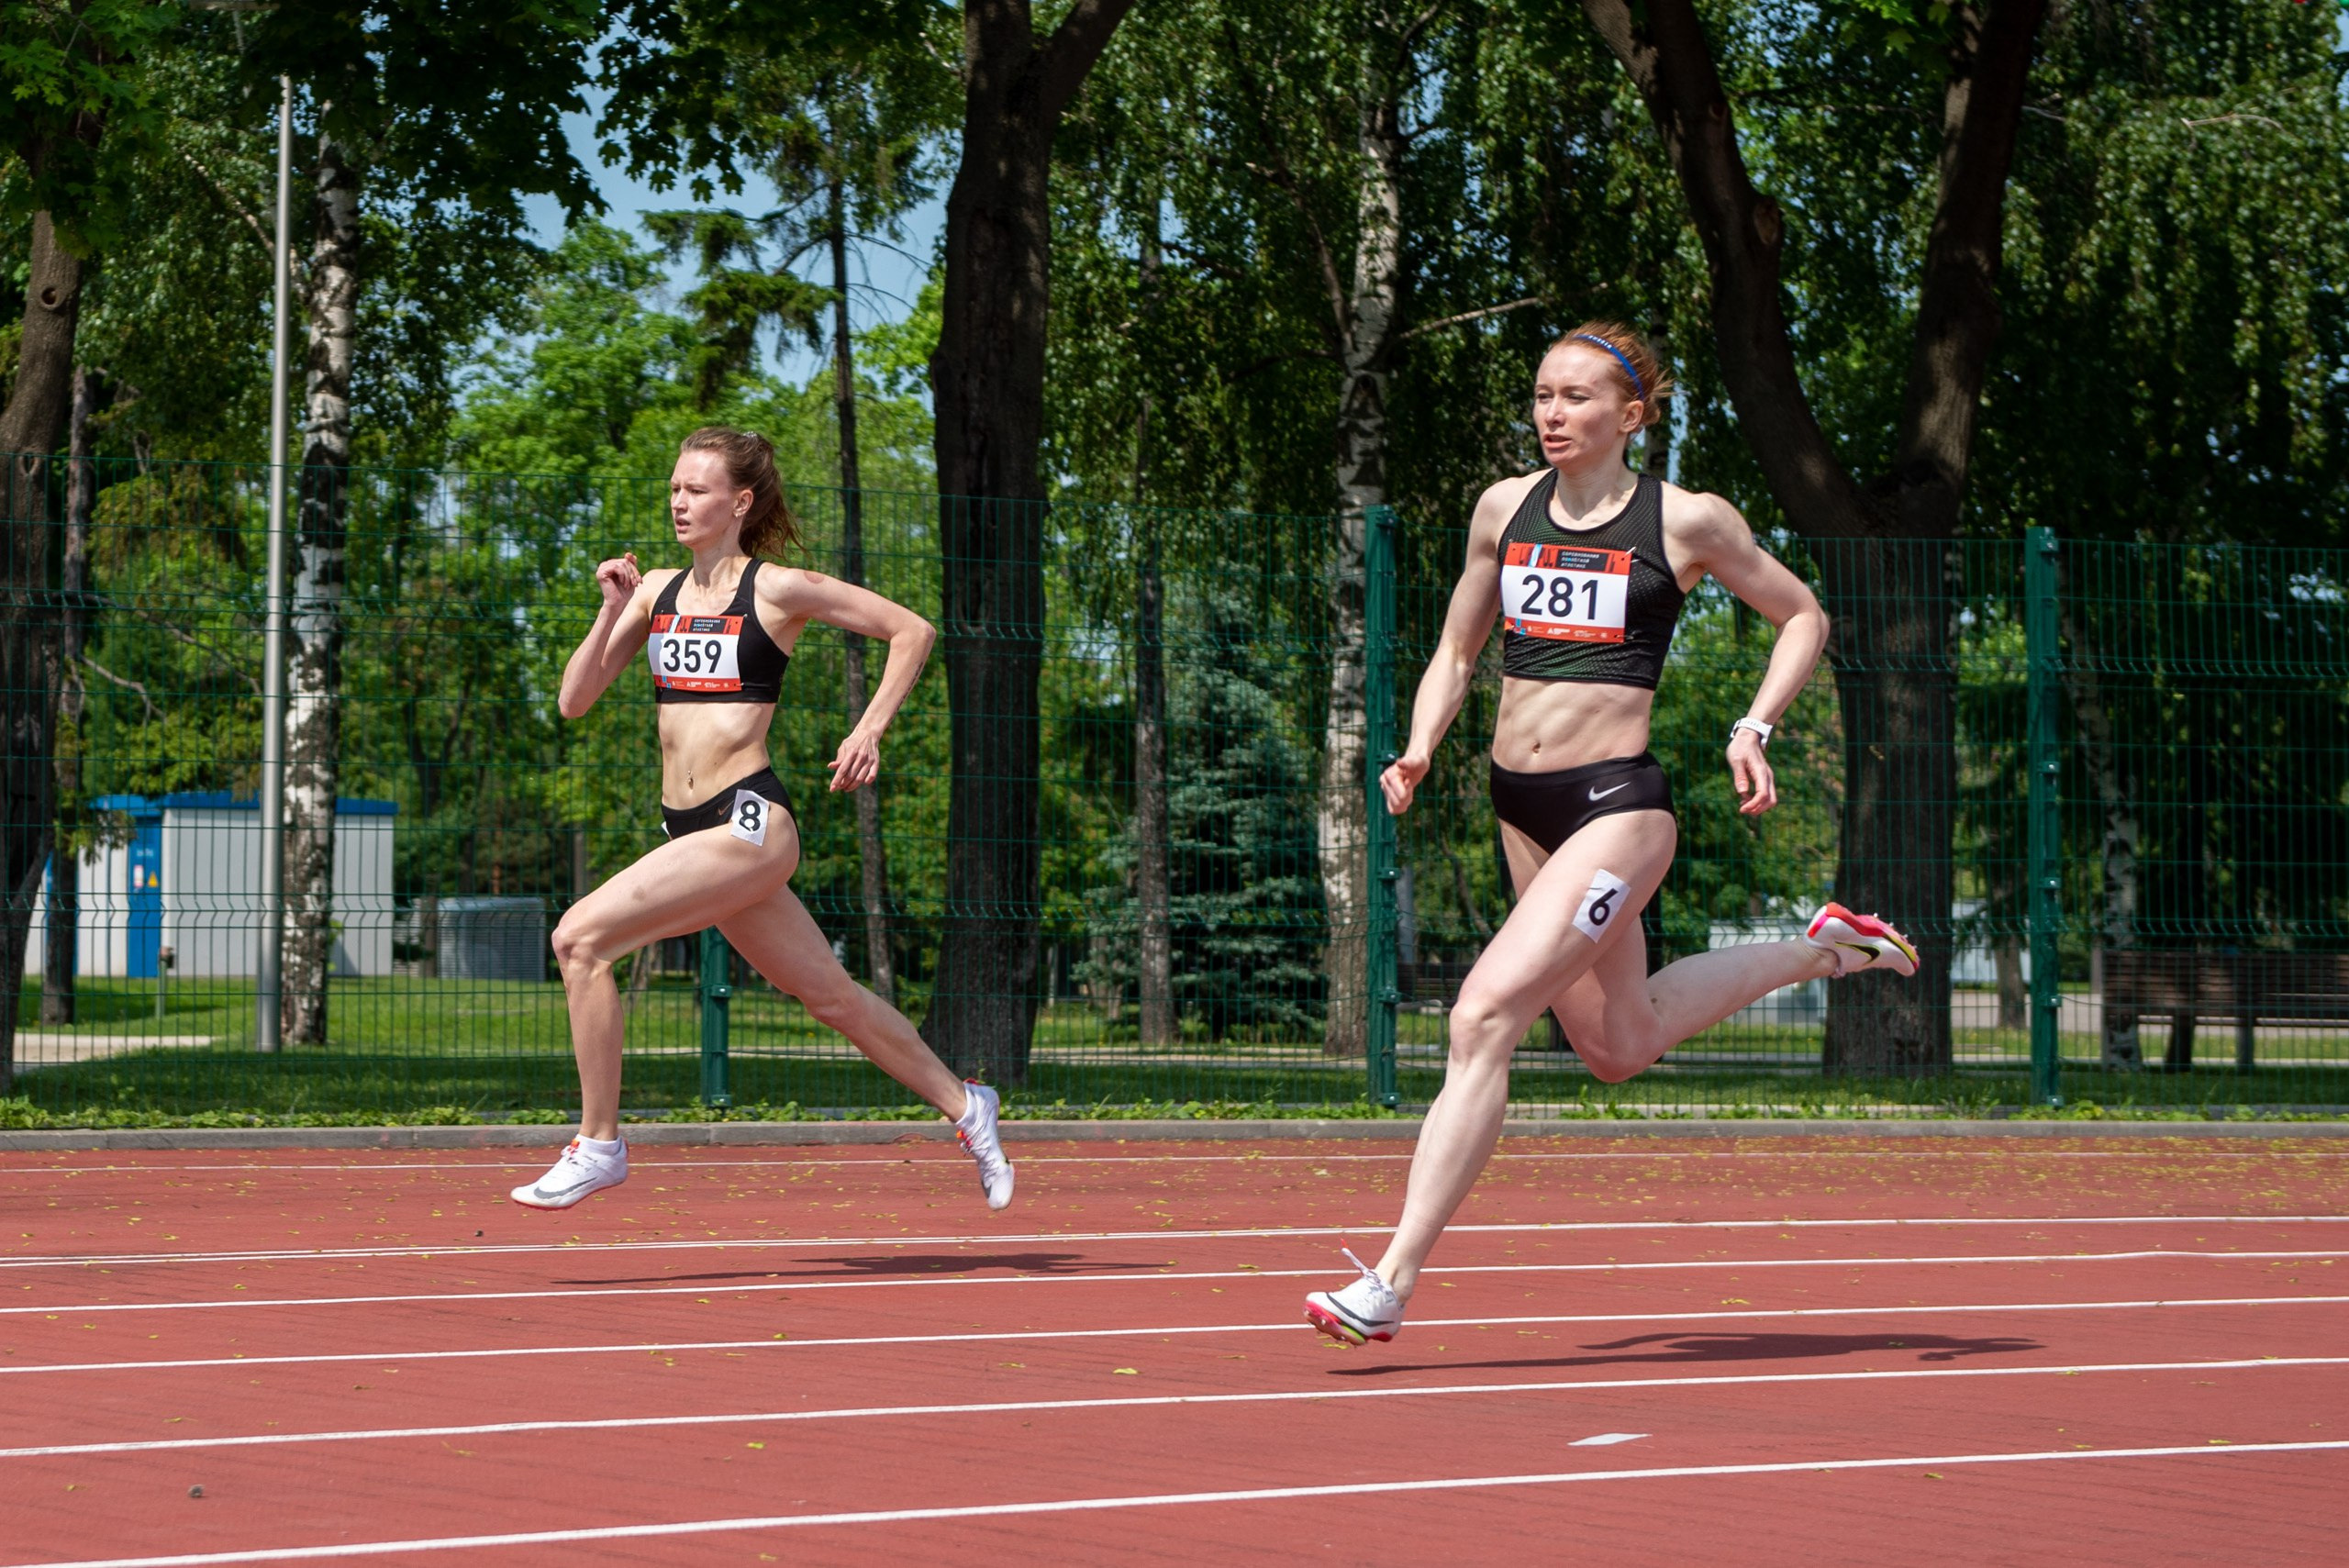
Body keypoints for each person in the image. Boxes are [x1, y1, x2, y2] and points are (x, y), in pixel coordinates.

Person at [1304, 325, 1913, 1344]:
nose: (1551, 413)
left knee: (1480, 1017)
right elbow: (1459, 648)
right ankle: (1830, 945)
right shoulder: (1503, 508)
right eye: (1542, 394)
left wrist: (1752, 727)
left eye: (1576, 397)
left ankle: (1391, 1280)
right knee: (1618, 1044)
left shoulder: (1686, 521)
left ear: (1629, 416)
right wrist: (1416, 745)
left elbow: (1800, 613)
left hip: (1617, 811)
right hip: (1520, 802)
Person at [509, 427, 1013, 1213]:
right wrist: (610, 610)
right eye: (675, 487)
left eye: (698, 489)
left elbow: (912, 629)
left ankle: (600, 1142)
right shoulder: (655, 594)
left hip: (749, 823)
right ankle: (965, 1104)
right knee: (833, 998)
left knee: (578, 937)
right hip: (690, 829)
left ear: (739, 502)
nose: (680, 501)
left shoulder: (777, 590)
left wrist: (869, 726)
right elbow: (575, 700)